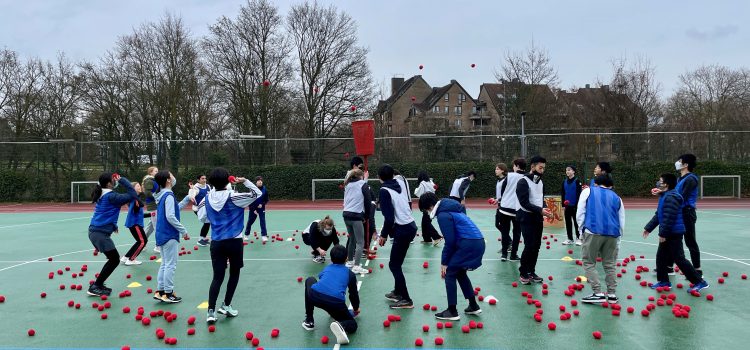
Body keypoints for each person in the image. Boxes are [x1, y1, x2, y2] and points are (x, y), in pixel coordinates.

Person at [197, 168, 262, 323]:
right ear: (228, 180)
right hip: (234, 241)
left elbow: (202, 218)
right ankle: (226, 305)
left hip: (217, 242)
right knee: (234, 274)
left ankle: (211, 312)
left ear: (210, 182)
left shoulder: (206, 199)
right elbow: (257, 194)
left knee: (217, 277)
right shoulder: (234, 197)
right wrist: (244, 180)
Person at [418, 192, 485, 321]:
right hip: (477, 241)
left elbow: (450, 241)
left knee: (449, 273)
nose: (426, 212)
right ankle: (473, 305)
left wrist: (444, 262)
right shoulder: (451, 209)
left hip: (468, 243)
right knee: (459, 272)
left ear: (430, 206)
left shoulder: (443, 215)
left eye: (426, 209)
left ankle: (452, 311)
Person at [643, 173, 709, 294]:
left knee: (679, 259)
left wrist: (663, 234)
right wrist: (648, 228)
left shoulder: (671, 197)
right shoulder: (665, 196)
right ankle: (664, 281)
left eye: (660, 181)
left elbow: (669, 217)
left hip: (673, 233)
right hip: (669, 232)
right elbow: (659, 215)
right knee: (661, 257)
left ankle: (699, 281)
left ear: (666, 184)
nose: (658, 183)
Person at [87, 172, 138, 296]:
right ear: (109, 183)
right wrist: (122, 180)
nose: (115, 181)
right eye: (113, 180)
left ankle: (97, 284)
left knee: (113, 259)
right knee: (114, 259)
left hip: (96, 231)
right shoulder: (112, 196)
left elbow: (105, 212)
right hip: (99, 233)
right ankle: (96, 286)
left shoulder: (102, 194)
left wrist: (112, 226)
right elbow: (132, 194)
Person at [577, 176, 625, 304]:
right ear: (610, 186)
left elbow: (580, 211)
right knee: (610, 264)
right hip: (613, 234)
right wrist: (619, 238)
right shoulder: (617, 197)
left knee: (588, 262)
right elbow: (621, 219)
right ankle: (612, 294)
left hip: (593, 231)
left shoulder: (588, 191)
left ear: (596, 183)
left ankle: (597, 292)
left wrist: (581, 230)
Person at [377, 164, 418, 309]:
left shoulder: (384, 190)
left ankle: (406, 299)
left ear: (379, 178)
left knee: (394, 265)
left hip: (403, 229)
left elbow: (389, 218)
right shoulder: (400, 182)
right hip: (411, 226)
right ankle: (398, 292)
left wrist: (383, 235)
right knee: (397, 263)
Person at [302, 245, 360, 345]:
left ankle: (309, 320)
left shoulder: (327, 268)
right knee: (353, 325)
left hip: (316, 296)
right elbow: (353, 294)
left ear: (331, 258)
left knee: (310, 280)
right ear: (346, 258)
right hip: (335, 303)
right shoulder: (350, 274)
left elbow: (322, 279)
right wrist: (355, 308)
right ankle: (341, 325)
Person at [153, 170, 191, 303]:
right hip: (169, 234)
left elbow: (174, 209)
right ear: (168, 180)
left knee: (164, 263)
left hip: (161, 233)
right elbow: (170, 216)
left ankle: (160, 291)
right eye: (172, 175)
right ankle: (168, 293)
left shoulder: (162, 195)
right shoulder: (168, 195)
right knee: (170, 265)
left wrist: (187, 198)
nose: (174, 177)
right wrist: (183, 230)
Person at [516, 156, 554, 285]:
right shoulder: (523, 181)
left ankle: (531, 271)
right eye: (540, 167)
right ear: (532, 167)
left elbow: (540, 199)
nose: (542, 170)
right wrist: (540, 210)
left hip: (538, 216)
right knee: (529, 245)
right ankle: (523, 272)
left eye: (544, 168)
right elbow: (524, 203)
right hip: (526, 217)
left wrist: (546, 208)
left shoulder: (541, 182)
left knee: (536, 246)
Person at [674, 154, 701, 276]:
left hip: (687, 212)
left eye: (679, 161)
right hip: (680, 212)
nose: (677, 163)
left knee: (690, 241)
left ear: (686, 164)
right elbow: (675, 193)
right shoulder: (680, 178)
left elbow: (682, 197)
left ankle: (697, 269)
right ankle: (669, 267)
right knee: (673, 238)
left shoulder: (691, 179)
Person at [342, 168, 372, 275]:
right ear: (361, 176)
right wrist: (367, 216)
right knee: (360, 241)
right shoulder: (362, 184)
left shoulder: (348, 184)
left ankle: (350, 261)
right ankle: (357, 266)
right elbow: (367, 201)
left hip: (346, 215)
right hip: (356, 215)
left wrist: (365, 180)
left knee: (352, 239)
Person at [497, 159, 526, 261]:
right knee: (517, 233)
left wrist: (500, 200)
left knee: (505, 232)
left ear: (517, 166)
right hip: (517, 210)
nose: (512, 167)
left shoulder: (508, 176)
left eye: (513, 165)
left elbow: (503, 190)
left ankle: (504, 254)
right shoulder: (526, 178)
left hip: (504, 208)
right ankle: (513, 255)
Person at [121, 182, 147, 266]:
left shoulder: (135, 199)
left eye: (140, 185)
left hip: (134, 223)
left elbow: (138, 213)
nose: (140, 187)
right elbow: (139, 207)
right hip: (135, 224)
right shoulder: (135, 199)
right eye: (138, 186)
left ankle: (126, 257)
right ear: (133, 189)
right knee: (143, 241)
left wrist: (151, 214)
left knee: (139, 241)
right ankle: (131, 259)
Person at [414, 170, 442, 245]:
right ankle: (427, 239)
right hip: (432, 201)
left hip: (426, 202)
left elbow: (418, 193)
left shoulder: (422, 183)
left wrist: (416, 190)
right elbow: (435, 188)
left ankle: (436, 237)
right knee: (425, 222)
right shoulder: (430, 182)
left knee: (426, 222)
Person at [561, 165, 583, 246]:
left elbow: (579, 194)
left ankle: (579, 238)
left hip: (575, 206)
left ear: (573, 171)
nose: (567, 171)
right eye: (566, 170)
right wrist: (563, 204)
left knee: (577, 222)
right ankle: (570, 239)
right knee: (568, 222)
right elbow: (563, 193)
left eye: (569, 170)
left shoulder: (577, 181)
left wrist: (577, 205)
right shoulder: (564, 182)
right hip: (567, 206)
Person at [244, 176, 269, 242]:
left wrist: (262, 204)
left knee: (262, 221)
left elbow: (266, 200)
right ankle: (246, 234)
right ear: (256, 182)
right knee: (250, 221)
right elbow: (250, 200)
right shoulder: (252, 189)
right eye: (258, 180)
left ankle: (264, 235)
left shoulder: (264, 189)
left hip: (261, 208)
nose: (260, 181)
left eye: (261, 180)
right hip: (253, 209)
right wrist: (253, 209)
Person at [141, 166, 160, 252]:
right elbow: (147, 193)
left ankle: (141, 242)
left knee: (151, 226)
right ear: (151, 172)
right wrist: (157, 196)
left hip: (157, 205)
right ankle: (158, 246)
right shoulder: (149, 181)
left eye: (157, 171)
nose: (157, 172)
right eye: (156, 171)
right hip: (153, 205)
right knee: (157, 226)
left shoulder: (155, 181)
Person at [190, 174, 212, 247]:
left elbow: (211, 195)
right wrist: (192, 197)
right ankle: (200, 240)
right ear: (198, 180)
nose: (204, 180)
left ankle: (202, 238)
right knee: (207, 222)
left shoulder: (208, 186)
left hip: (206, 208)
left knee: (208, 222)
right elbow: (192, 196)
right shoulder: (196, 188)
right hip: (198, 209)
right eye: (202, 178)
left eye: (205, 178)